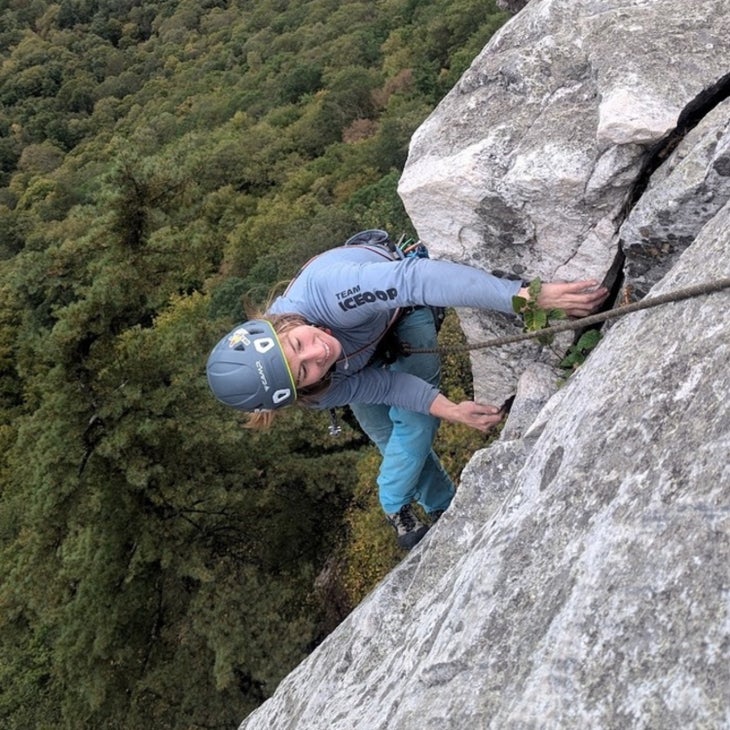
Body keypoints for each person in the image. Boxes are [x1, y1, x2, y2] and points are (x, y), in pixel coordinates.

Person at [206, 230, 608, 549]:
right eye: (304, 371)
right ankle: (443, 506)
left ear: (281, 326)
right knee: (387, 436)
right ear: (297, 392)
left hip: (401, 315)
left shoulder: (329, 295)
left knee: (414, 425)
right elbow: (385, 385)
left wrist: (522, 296)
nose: (318, 353)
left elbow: (414, 280)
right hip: (356, 364)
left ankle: (394, 502)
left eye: (297, 344)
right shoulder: (318, 389)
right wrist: (450, 409)